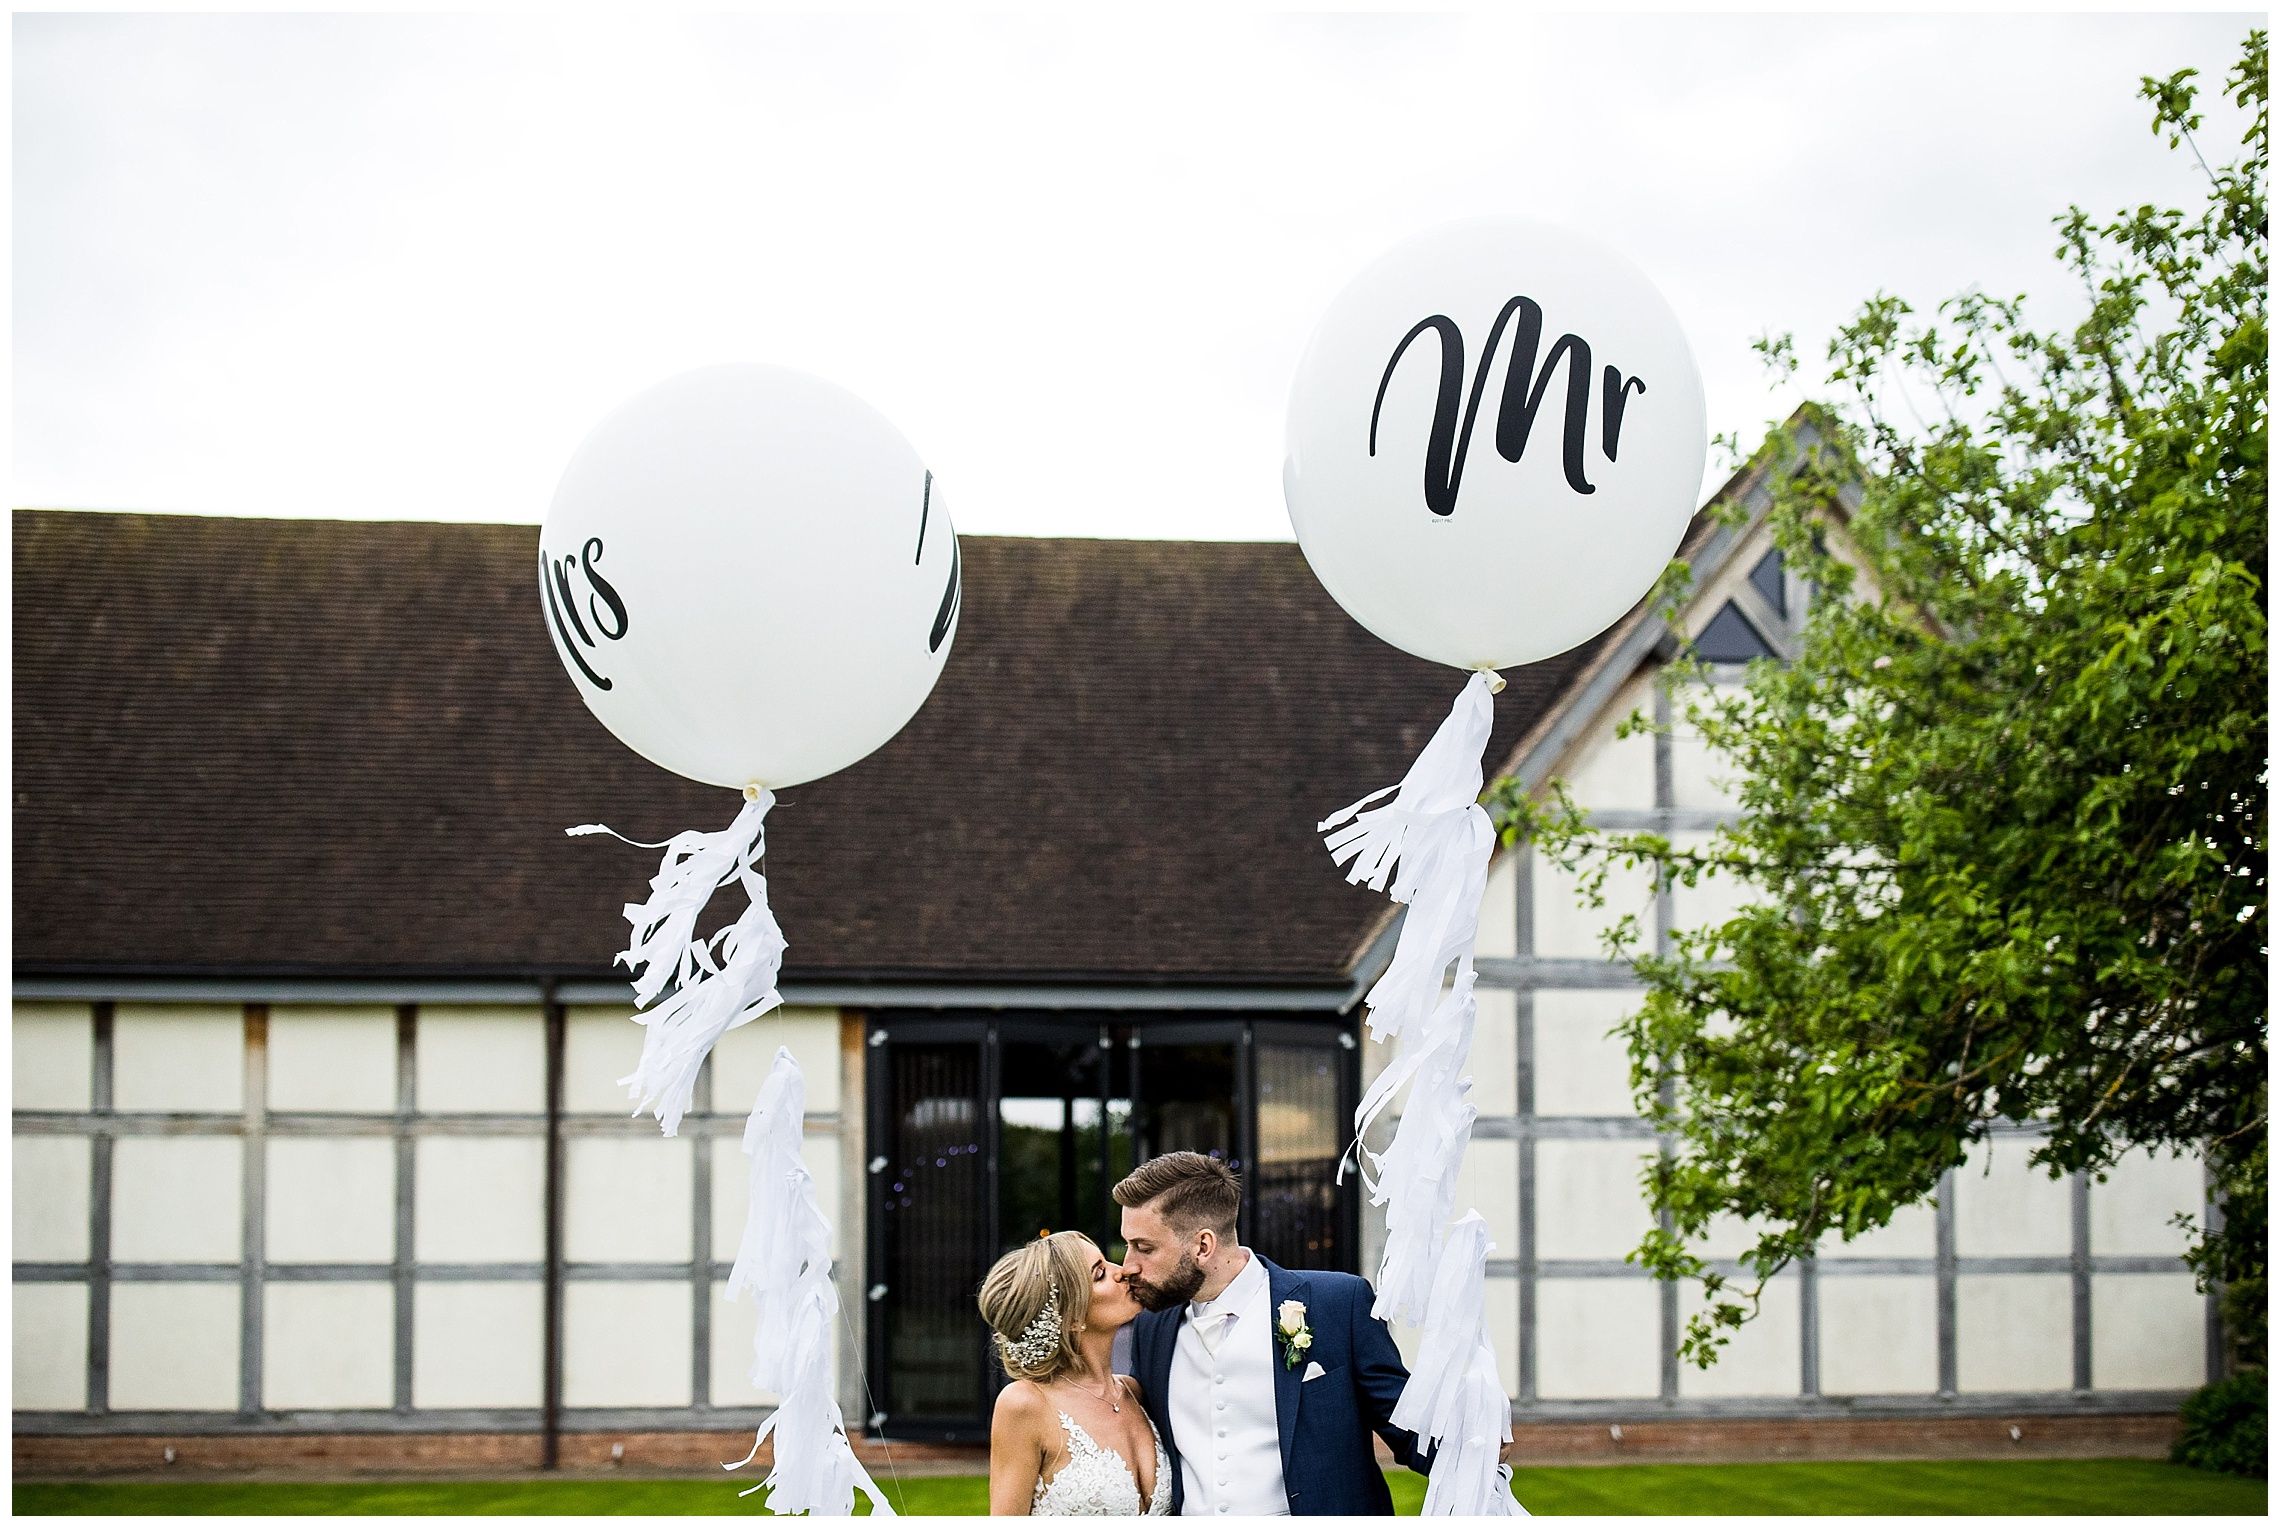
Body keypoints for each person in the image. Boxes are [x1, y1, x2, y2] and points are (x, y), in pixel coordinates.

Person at [1115, 1152, 1429, 1517]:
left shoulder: (1337, 1304)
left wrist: (1475, 1443)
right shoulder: (1153, 1327)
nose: (1128, 1265)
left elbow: (1408, 1428)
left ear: (1203, 1246)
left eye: (1144, 1247)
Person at [980, 1230, 1171, 1516]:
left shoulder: (1136, 1393)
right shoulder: (1025, 1404)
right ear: (1071, 1318)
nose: (1122, 1272)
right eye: (1100, 1274)